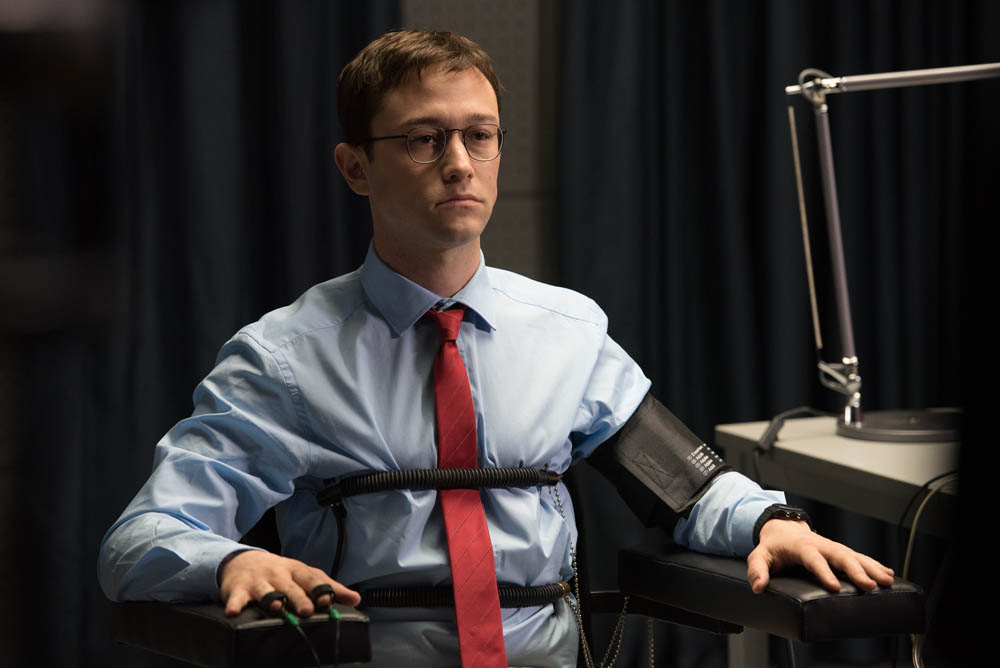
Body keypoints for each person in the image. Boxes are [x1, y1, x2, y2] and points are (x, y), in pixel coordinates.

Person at [98, 30, 893, 668]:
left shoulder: (569, 333)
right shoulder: (282, 361)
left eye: (478, 136)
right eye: (423, 139)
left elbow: (685, 487)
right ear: (355, 167)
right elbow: (140, 541)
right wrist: (228, 563)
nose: (459, 164)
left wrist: (769, 522)